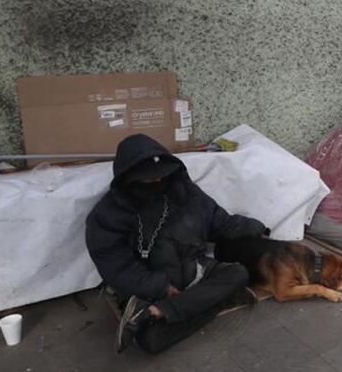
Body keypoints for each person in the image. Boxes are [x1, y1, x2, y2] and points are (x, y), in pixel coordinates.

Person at [86, 134, 267, 354]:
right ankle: (210, 301)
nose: (155, 181)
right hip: (151, 286)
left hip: (194, 270)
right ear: (128, 177)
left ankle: (157, 313)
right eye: (147, 178)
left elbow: (219, 222)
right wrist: (159, 286)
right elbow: (116, 267)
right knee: (152, 341)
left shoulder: (184, 192)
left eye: (160, 176)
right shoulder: (109, 215)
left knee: (238, 273)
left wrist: (256, 227)